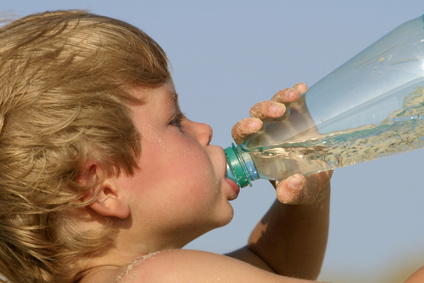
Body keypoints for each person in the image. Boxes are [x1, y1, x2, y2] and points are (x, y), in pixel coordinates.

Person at [0, 10, 332, 283]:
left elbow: (273, 266)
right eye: (175, 121)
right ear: (101, 190)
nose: (204, 130)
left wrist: (307, 184)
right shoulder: (159, 276)